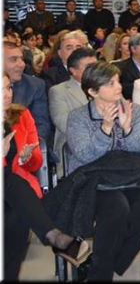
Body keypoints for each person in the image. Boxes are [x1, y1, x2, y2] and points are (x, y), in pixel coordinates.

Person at [64, 60, 140, 280]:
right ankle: (101, 274)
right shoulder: (78, 117)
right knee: (117, 210)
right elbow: (84, 155)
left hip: (131, 176)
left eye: (118, 81)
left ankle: (105, 262)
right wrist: (106, 128)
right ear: (92, 91)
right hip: (95, 181)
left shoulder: (134, 111)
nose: (118, 87)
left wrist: (128, 129)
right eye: (110, 83)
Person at [4, 72, 91, 278]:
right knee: (13, 187)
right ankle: (55, 237)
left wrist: (25, 158)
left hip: (15, 192)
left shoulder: (21, 115)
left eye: (8, 88)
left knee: (15, 217)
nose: (7, 94)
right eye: (0, 90)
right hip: (12, 186)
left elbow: (37, 160)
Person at [48, 47, 97, 170]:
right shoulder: (59, 91)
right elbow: (65, 125)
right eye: (89, 67)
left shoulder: (109, 86)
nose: (95, 70)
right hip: (73, 151)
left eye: (96, 66)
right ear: (73, 70)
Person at [4, 41, 50, 150]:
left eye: (22, 59)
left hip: (24, 148)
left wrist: (27, 149)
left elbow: (41, 126)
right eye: (14, 59)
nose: (22, 64)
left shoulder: (34, 86)